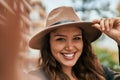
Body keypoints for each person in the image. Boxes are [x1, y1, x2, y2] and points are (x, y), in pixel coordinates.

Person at [29, 6, 120, 80]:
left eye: (76, 38)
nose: (70, 47)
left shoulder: (99, 71)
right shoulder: (35, 77)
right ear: (48, 43)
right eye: (60, 39)